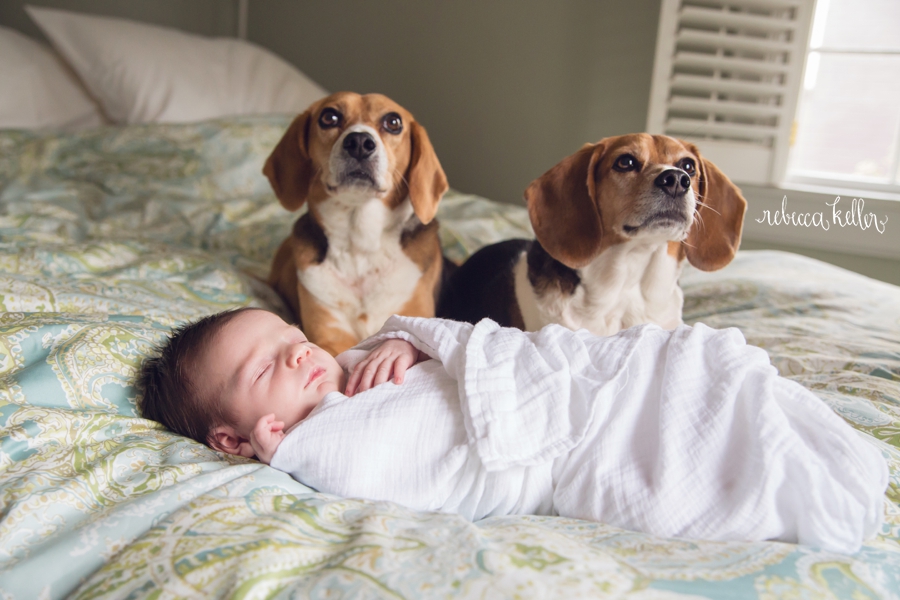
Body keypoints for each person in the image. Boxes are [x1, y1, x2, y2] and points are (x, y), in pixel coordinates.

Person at [139, 307, 888, 554]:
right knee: (688, 469)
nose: (299, 350)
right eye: (266, 366)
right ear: (237, 439)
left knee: (699, 376)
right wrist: (286, 448)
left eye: (289, 332)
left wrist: (410, 341)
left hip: (586, 375)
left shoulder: (347, 365)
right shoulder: (318, 445)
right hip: (572, 442)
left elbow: (469, 344)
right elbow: (395, 455)